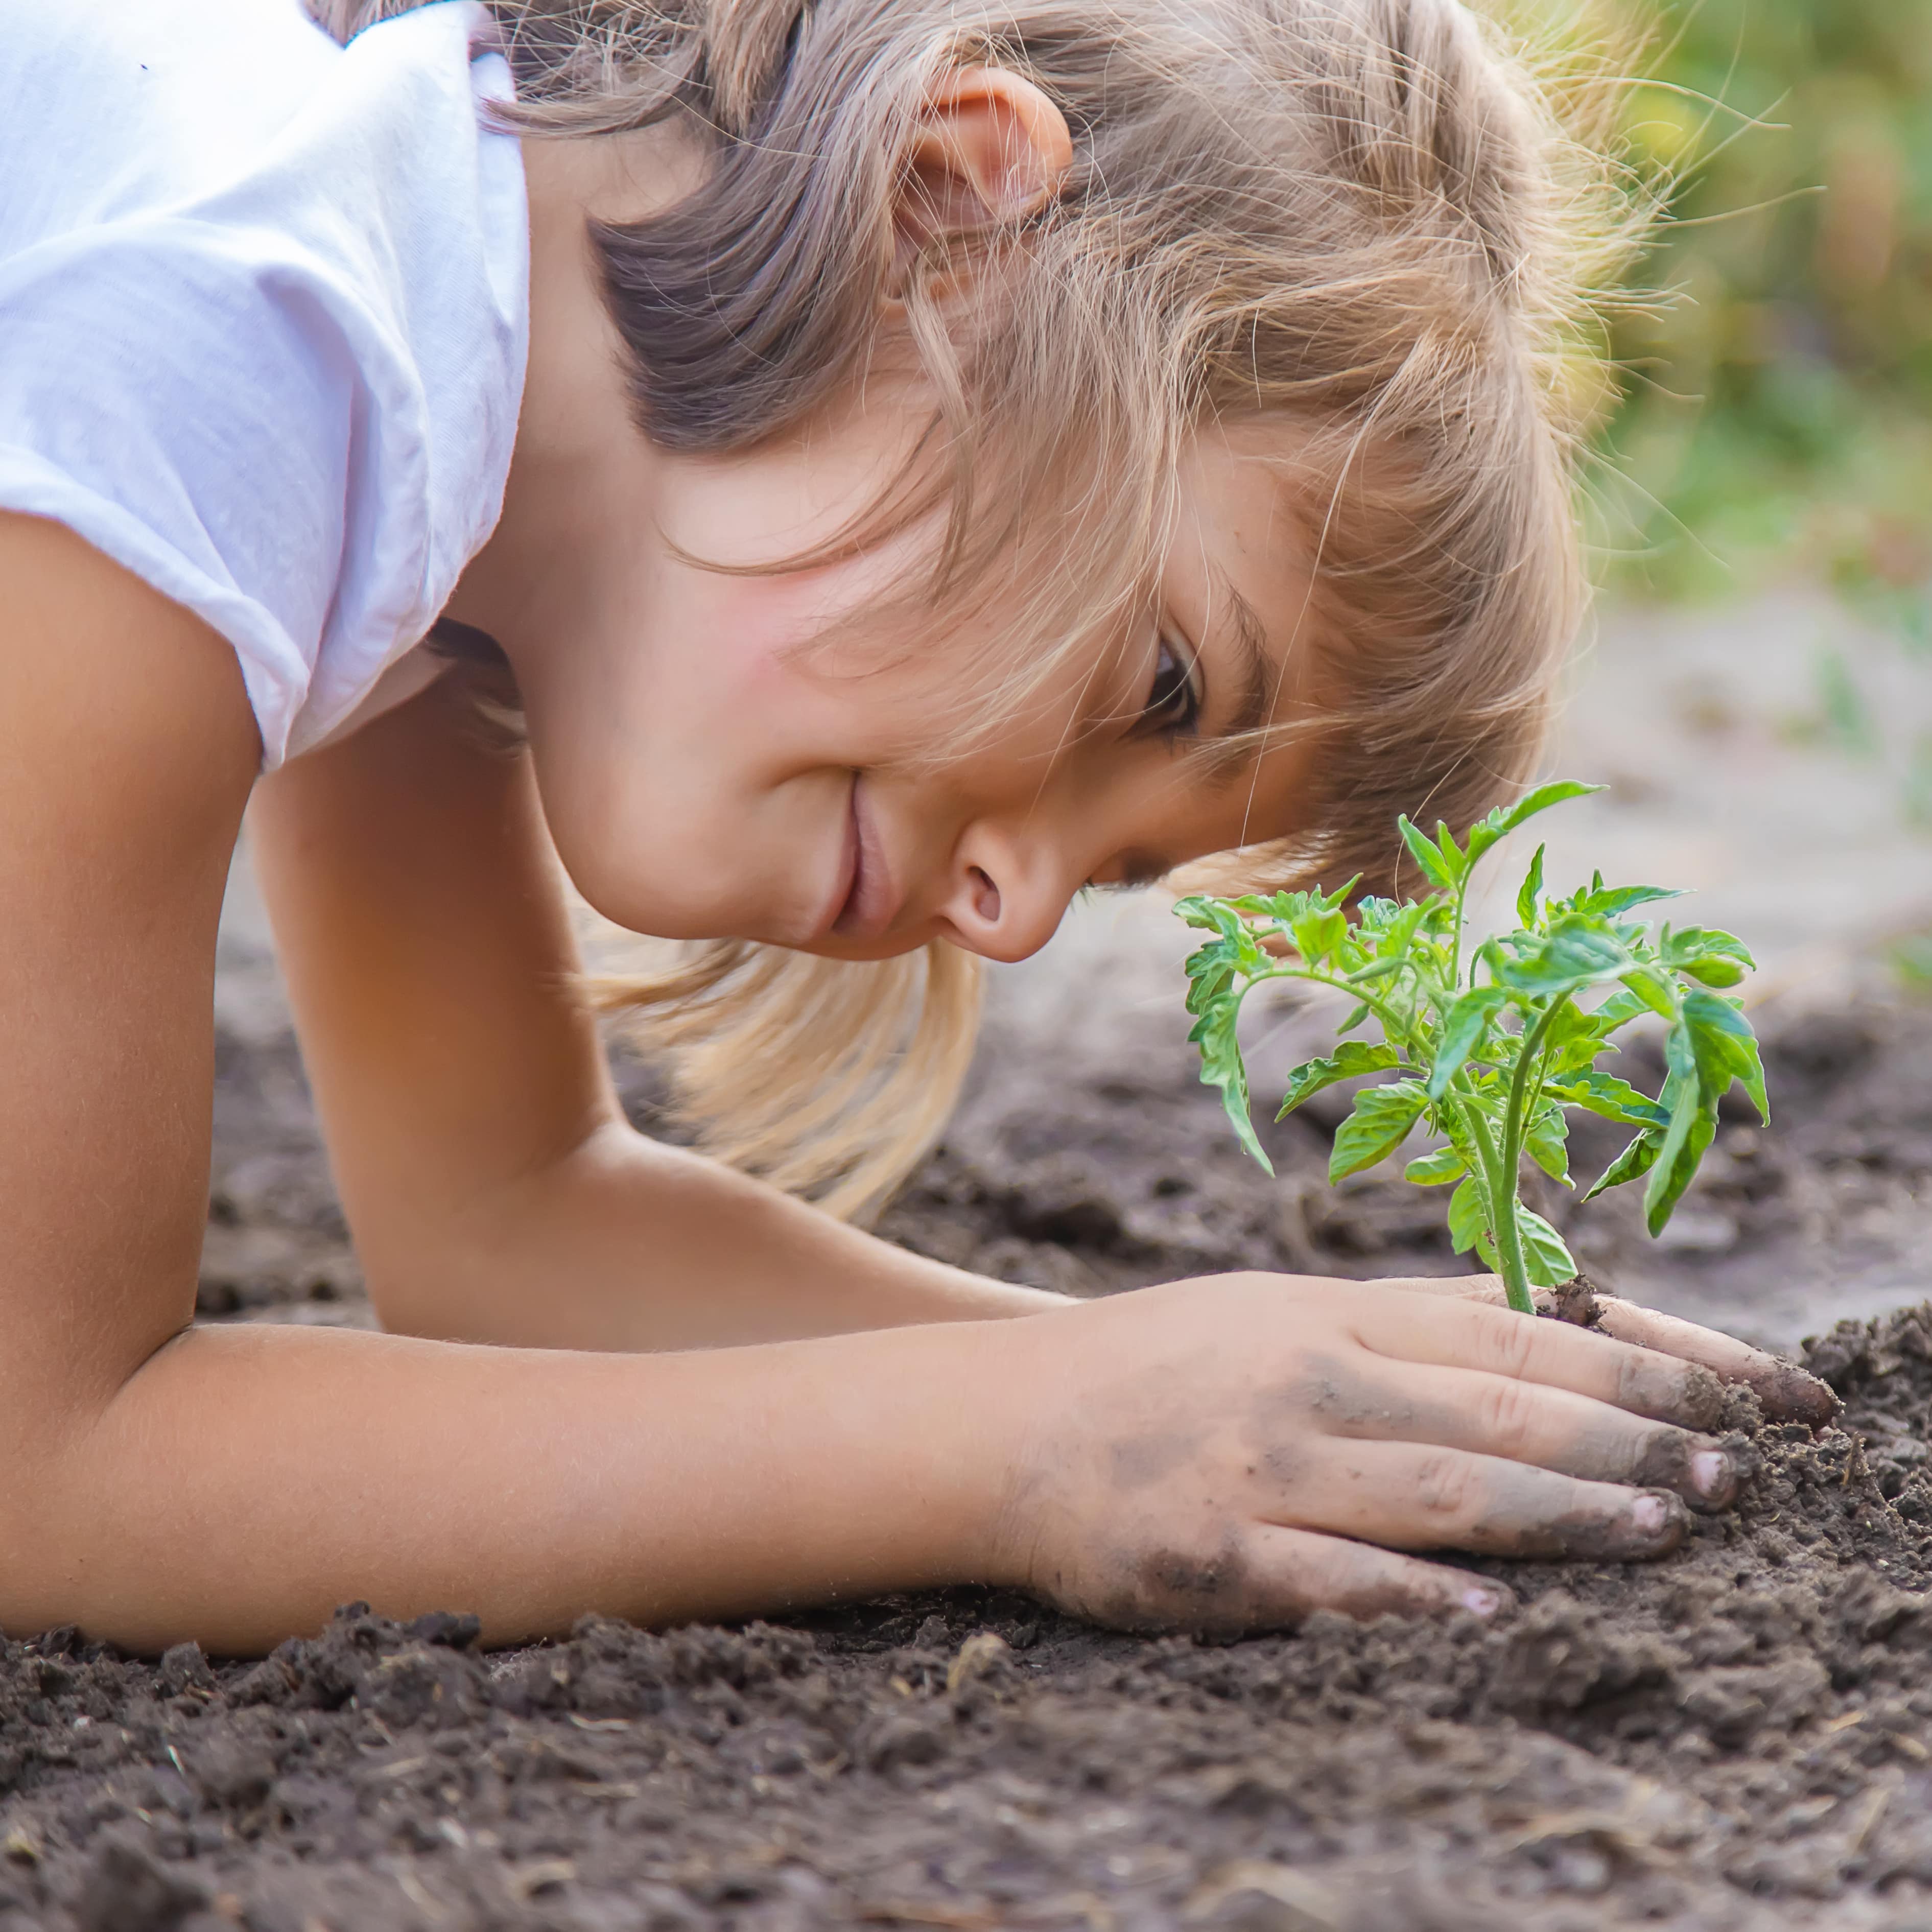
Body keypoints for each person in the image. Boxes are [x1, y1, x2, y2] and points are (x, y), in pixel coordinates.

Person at [0, 0, 1832, 1658]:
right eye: (1167, 685)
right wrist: (1016, 1449)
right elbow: (49, 1458)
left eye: (1121, 869)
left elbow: (501, 1227)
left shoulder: (452, 483)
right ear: (951, 212)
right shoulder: (222, 324)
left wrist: (1197, 1389)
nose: (1019, 912)